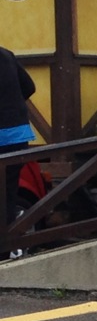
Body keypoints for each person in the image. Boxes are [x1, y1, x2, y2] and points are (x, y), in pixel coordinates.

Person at [0, 45, 36, 254]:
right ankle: (8, 246)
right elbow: (29, 86)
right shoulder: (6, 54)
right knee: (8, 192)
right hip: (17, 134)